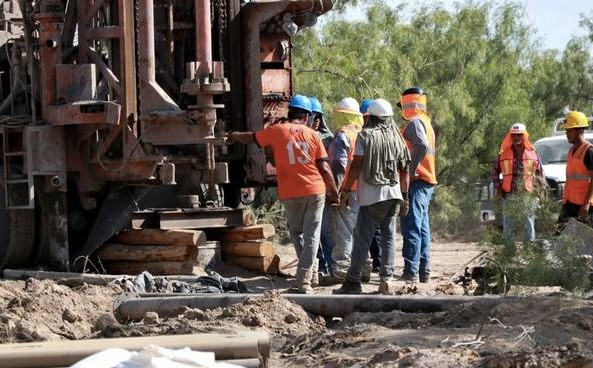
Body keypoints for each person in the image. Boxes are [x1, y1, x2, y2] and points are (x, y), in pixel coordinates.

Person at [228, 95, 339, 293]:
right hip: (314, 190)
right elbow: (324, 166)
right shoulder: (313, 134)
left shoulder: (276, 131)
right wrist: (334, 191)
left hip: (290, 192)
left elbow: (252, 137)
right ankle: (307, 277)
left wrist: (234, 135)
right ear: (306, 116)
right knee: (312, 234)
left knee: (297, 233)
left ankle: (308, 275)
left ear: (290, 113)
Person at [333, 98, 410, 295]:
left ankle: (352, 282)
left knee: (361, 239)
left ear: (371, 118)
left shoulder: (365, 136)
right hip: (394, 196)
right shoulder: (397, 138)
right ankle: (386, 281)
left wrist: (344, 189)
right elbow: (405, 171)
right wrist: (405, 196)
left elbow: (356, 165)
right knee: (389, 238)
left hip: (372, 196)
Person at [322, 97, 364, 285]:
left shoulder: (342, 134)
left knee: (343, 232)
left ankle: (340, 272)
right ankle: (364, 269)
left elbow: (339, 163)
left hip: (347, 191)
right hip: (364, 191)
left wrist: (337, 190)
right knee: (361, 232)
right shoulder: (361, 133)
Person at [399, 87, 436, 283]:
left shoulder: (413, 122)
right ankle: (423, 271)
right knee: (422, 227)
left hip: (417, 181)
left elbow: (420, 145)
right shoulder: (425, 122)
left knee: (411, 226)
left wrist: (410, 170)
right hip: (426, 181)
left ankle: (411, 272)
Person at [492, 123, 546, 242]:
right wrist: (498, 187)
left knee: (528, 225)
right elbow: (495, 171)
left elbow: (540, 174)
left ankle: (529, 252)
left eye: (519, 135)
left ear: (525, 136)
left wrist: (540, 192)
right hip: (510, 195)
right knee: (508, 227)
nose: (516, 138)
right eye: (514, 135)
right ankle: (509, 253)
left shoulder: (533, 153)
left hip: (527, 195)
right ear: (510, 137)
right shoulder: (503, 154)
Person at [309, 96, 334, 276]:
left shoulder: (329, 138)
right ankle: (318, 266)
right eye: (313, 116)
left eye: (319, 117)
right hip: (307, 190)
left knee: (325, 231)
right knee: (310, 233)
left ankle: (330, 266)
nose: (317, 120)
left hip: (323, 190)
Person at [558, 111, 593, 224]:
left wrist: (586, 204)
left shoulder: (589, 151)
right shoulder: (571, 151)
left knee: (583, 241)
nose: (566, 133)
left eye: (570, 130)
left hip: (584, 207)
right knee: (560, 238)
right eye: (566, 130)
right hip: (569, 204)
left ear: (580, 130)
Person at [361, 98, 383, 273]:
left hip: (372, 188)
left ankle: (376, 262)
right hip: (382, 190)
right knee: (378, 230)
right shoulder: (389, 135)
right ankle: (378, 262)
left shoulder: (366, 136)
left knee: (372, 229)